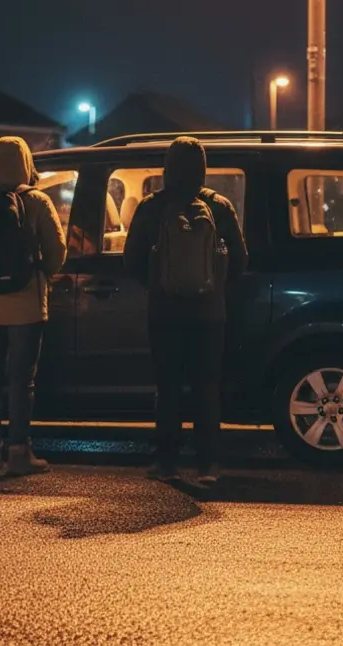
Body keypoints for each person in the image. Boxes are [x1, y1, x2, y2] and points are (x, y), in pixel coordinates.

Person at [124, 137, 247, 484]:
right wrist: (216, 287)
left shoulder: (151, 207)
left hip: (164, 312)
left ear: (167, 167)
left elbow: (131, 260)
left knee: (168, 387)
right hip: (210, 315)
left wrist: (156, 284)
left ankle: (166, 462)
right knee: (207, 387)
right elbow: (240, 260)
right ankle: (209, 464)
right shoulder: (219, 207)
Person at [0, 137, 67, 475]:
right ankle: (19, 452)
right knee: (22, 380)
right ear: (25, 162)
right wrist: (42, 275)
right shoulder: (37, 202)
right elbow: (58, 251)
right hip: (26, 305)